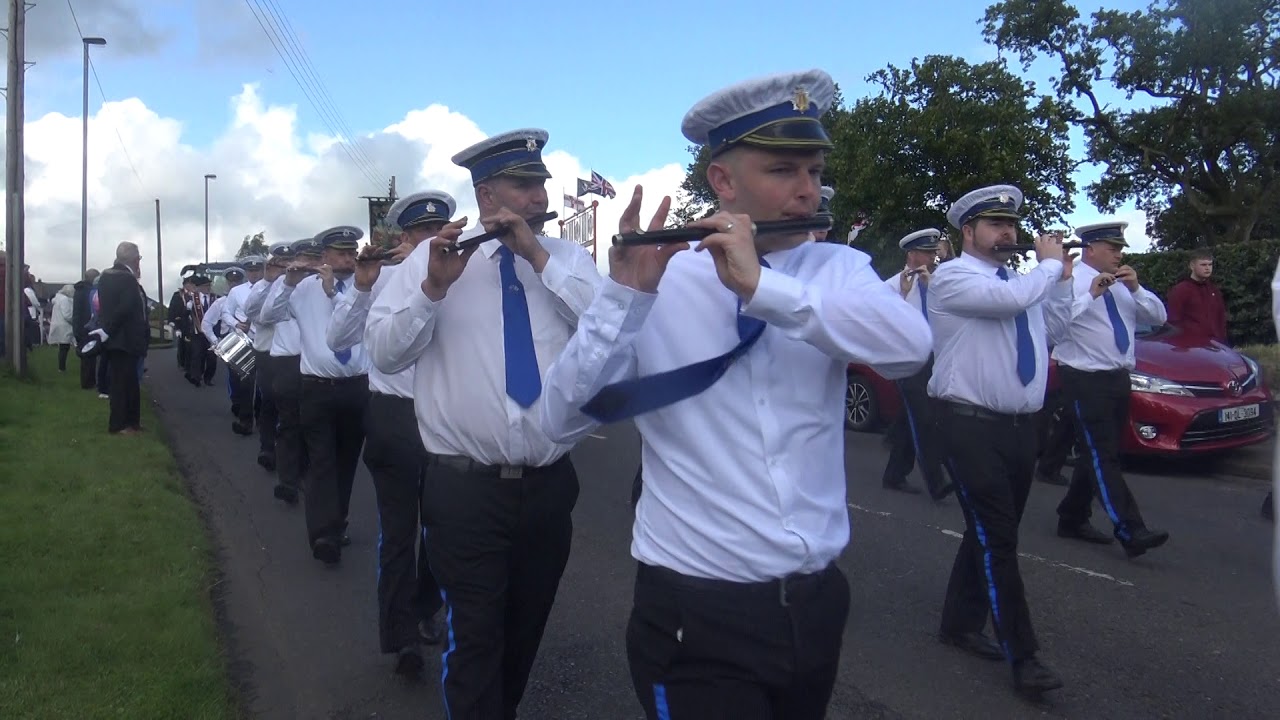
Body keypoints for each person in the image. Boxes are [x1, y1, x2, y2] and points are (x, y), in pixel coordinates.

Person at [538, 69, 933, 719]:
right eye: (784, 170)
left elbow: (909, 347)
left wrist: (766, 291)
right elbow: (560, 419)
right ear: (723, 182)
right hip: (698, 614)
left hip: (814, 606)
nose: (808, 191)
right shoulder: (663, 279)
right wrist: (624, 299)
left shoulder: (836, 269)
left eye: (814, 169)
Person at [365, 127, 600, 719]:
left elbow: (614, 332)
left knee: (521, 636)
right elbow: (384, 353)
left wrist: (540, 261)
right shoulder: (430, 259)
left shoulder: (567, 260)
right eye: (525, 187)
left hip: (549, 487)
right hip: (465, 490)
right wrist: (431, 292)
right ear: (488, 194)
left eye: (541, 185)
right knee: (475, 640)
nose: (540, 199)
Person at [927, 184, 1074, 697]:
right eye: (995, 224)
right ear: (968, 232)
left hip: (1019, 429)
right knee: (1000, 537)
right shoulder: (952, 276)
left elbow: (1053, 326)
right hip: (969, 425)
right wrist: (1050, 267)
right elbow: (1009, 301)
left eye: (1011, 225)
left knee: (988, 532)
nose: (1008, 232)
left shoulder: (1022, 281)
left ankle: (958, 624)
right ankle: (1024, 656)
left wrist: (1063, 284)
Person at [328, 190, 453, 676]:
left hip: (446, 417)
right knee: (399, 534)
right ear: (403, 237)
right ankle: (401, 635)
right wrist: (362, 288)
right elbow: (337, 341)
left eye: (437, 230)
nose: (430, 240)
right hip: (394, 415)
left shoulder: (460, 272)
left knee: (444, 533)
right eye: (421, 232)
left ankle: (423, 608)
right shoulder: (382, 278)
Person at [1050, 221, 1170, 557]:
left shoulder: (1122, 284)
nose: (1119, 254)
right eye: (1113, 248)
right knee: (1102, 455)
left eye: (1120, 249)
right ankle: (1131, 529)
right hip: (1084, 376)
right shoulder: (1070, 282)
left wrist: (1137, 289)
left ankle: (1071, 517)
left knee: (1100, 455)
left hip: (1117, 377)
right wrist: (1091, 295)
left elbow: (1159, 317)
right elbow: (1056, 325)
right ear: (1091, 249)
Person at [262, 228, 371, 565]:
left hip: (357, 386)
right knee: (322, 460)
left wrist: (334, 294)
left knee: (346, 461)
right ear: (324, 257)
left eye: (351, 252)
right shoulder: (302, 289)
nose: (349, 259)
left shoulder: (366, 286)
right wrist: (288, 282)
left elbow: (356, 321)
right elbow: (267, 316)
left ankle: (337, 523)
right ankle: (324, 534)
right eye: (340, 253)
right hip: (316, 387)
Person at [880, 228, 953, 499]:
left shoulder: (936, 282)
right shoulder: (890, 286)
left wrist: (931, 287)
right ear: (912, 254)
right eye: (927, 253)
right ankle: (937, 481)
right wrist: (902, 294)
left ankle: (894, 474)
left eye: (934, 253)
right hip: (907, 360)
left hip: (936, 357)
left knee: (909, 419)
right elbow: (882, 321)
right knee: (924, 418)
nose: (933, 258)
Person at [94, 242, 150, 434]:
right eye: (139, 258)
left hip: (115, 338)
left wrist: (107, 331)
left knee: (129, 382)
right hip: (125, 338)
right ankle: (119, 425)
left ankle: (132, 422)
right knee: (121, 384)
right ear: (135, 260)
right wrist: (110, 330)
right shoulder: (127, 279)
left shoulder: (105, 277)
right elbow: (126, 308)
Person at [1167, 248, 1227, 343]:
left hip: (1215, 345)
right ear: (1192, 266)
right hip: (1191, 347)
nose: (1207, 268)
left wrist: (1222, 341)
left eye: (1210, 264)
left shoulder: (1214, 290)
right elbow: (1173, 321)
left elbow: (1221, 318)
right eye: (1203, 265)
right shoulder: (1180, 290)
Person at [73, 268, 100, 389]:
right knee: (89, 356)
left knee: (85, 357)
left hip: (78, 325)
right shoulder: (89, 291)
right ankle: (89, 383)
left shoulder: (79, 290)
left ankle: (87, 382)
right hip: (87, 325)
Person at [48, 284, 76, 371]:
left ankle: (61, 367)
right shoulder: (65, 300)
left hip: (58, 324)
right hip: (64, 326)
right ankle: (62, 368)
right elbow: (67, 315)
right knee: (64, 347)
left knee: (63, 347)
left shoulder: (58, 299)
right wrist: (74, 320)